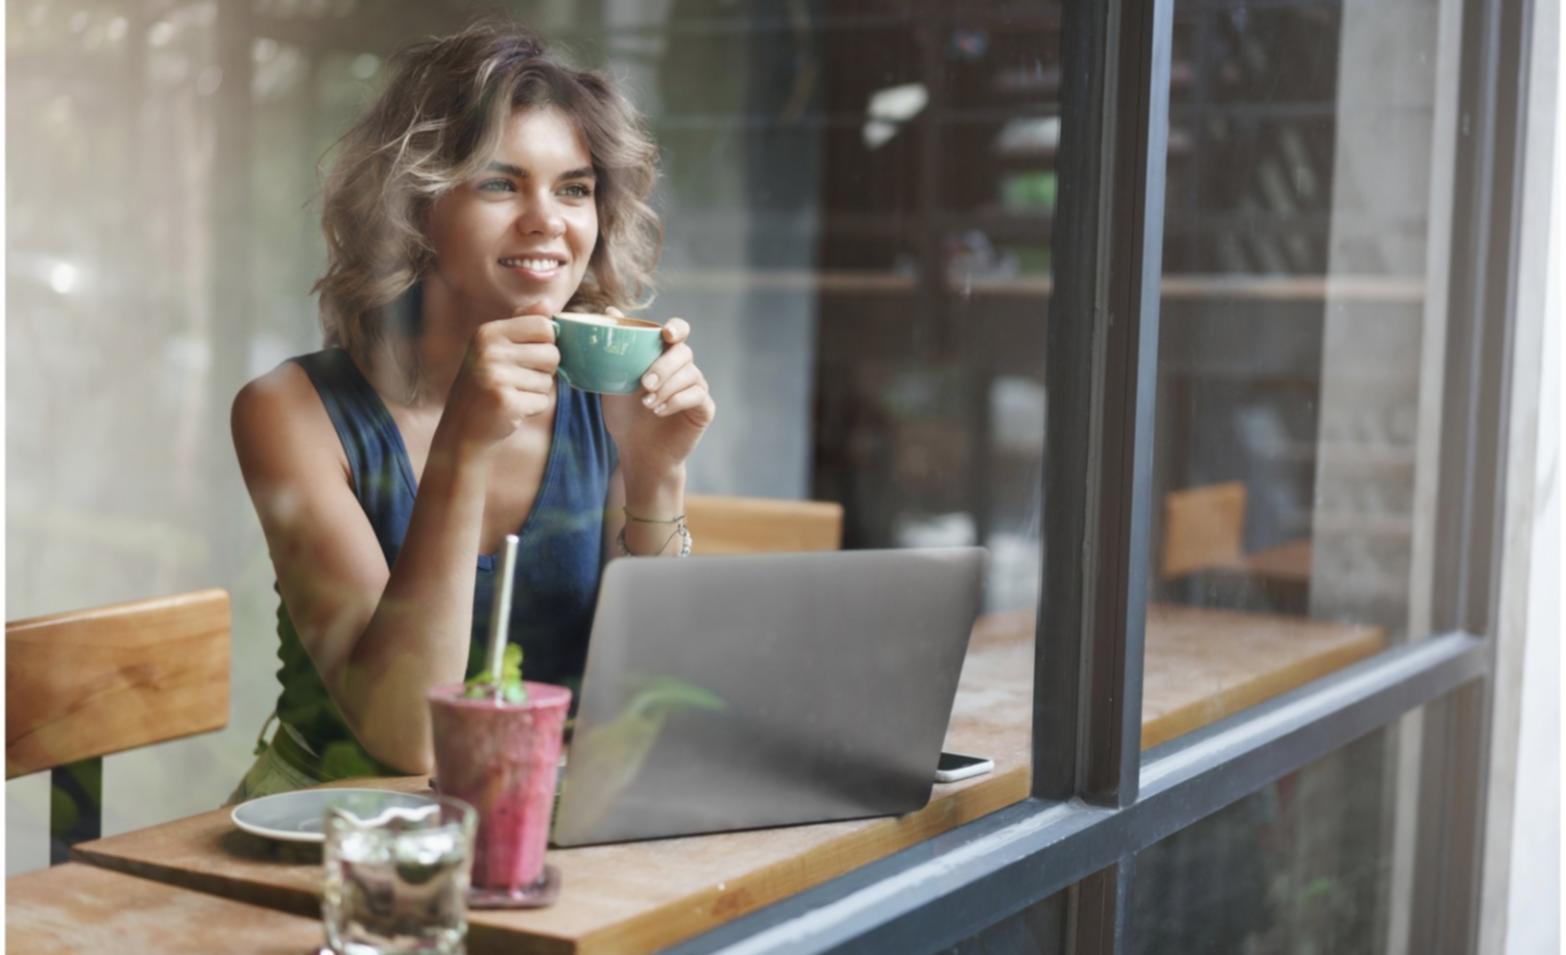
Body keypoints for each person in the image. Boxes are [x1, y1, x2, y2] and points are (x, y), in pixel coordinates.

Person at [228, 21, 714, 801]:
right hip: (333, 824)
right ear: (415, 207)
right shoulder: (289, 413)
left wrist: (658, 475)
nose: (547, 220)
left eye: (574, 189)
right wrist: (463, 445)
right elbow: (406, 736)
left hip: (545, 815)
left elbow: (654, 699)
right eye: (500, 184)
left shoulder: (611, 388)